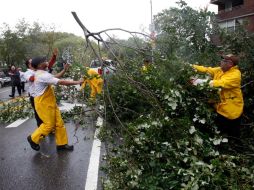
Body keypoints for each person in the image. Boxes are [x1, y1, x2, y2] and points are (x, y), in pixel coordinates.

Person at [27, 56, 83, 151]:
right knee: (49, 125)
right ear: (40, 65)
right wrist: (78, 82)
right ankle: (32, 138)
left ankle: (61, 144)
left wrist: (64, 70)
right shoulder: (42, 75)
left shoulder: (42, 73)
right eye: (44, 61)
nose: (47, 61)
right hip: (43, 104)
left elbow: (55, 77)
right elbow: (61, 82)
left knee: (59, 123)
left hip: (50, 103)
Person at [192, 54, 244, 141]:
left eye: (223, 60)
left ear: (230, 64)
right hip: (221, 106)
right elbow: (206, 69)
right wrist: (190, 66)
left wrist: (198, 81)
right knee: (219, 132)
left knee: (233, 136)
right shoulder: (220, 70)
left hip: (231, 110)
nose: (221, 61)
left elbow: (219, 83)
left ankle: (236, 148)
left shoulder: (235, 75)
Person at [24, 48, 58, 127]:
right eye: (31, 62)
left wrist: (54, 56)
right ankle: (41, 129)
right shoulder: (27, 73)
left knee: (48, 112)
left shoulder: (39, 70)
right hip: (35, 96)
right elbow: (31, 79)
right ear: (29, 65)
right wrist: (39, 74)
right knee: (38, 114)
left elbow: (49, 64)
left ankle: (49, 127)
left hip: (44, 95)